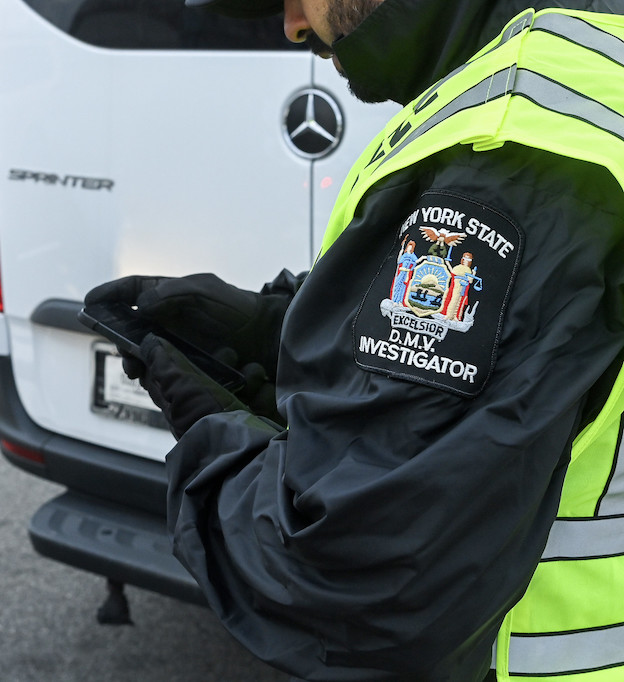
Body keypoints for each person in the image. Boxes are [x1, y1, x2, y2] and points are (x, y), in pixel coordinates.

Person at [85, 0, 624, 680]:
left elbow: (356, 580)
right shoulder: (583, 75)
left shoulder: (518, 140)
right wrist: (273, 332)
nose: (290, 26)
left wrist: (213, 443)